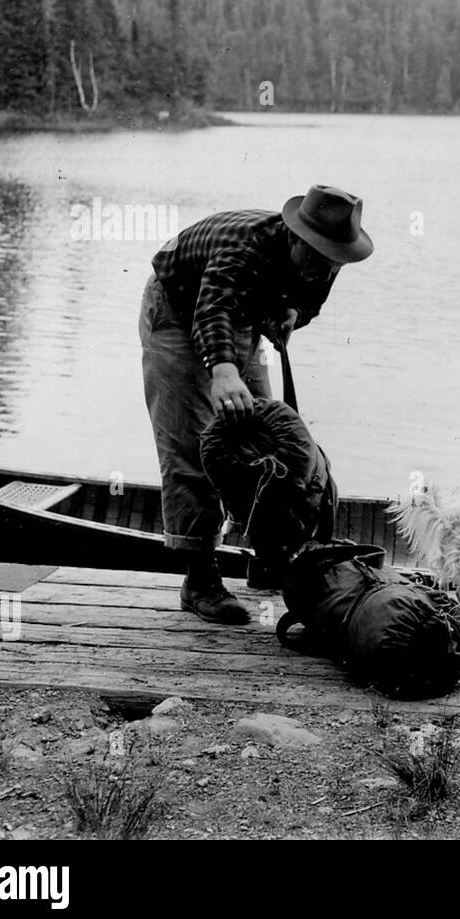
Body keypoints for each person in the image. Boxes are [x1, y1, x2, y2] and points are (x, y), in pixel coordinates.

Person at [138, 185, 372, 624]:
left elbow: (309, 301)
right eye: (317, 257)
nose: (325, 267)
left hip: (240, 315)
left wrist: (293, 313)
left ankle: (269, 555)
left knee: (268, 441)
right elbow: (212, 309)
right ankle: (199, 582)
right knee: (195, 442)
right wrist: (223, 371)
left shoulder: (329, 253)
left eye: (333, 261)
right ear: (295, 237)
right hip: (177, 309)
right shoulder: (244, 246)